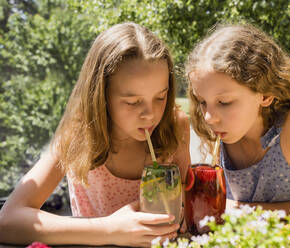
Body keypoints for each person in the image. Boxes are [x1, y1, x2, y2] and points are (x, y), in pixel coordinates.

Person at [0, 22, 190, 247]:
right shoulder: (79, 133)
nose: (150, 115)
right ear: (102, 96)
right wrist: (109, 229)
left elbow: (188, 209)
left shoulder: (174, 127)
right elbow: (7, 221)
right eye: (132, 102)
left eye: (160, 97)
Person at [186, 23, 290, 216]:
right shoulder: (222, 132)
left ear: (265, 95)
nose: (208, 117)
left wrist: (242, 212)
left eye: (224, 102)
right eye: (202, 101)